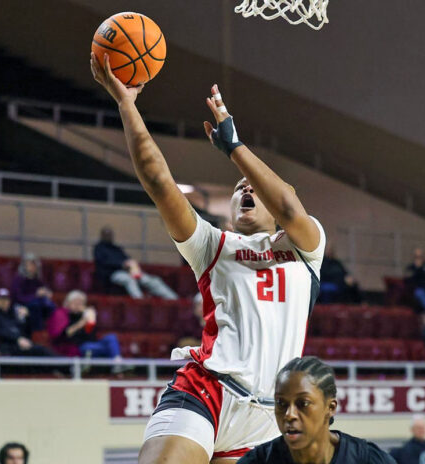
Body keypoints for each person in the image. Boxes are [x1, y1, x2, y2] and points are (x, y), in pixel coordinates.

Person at [90, 54, 326, 463]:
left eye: (255, 186)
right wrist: (126, 103)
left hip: (266, 417)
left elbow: (288, 204)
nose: (247, 188)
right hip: (207, 390)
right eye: (239, 187)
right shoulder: (212, 244)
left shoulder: (308, 246)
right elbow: (160, 182)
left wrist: (234, 148)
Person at [238, 357, 394, 463]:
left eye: (303, 403)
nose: (290, 415)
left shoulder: (367, 459)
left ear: (330, 407)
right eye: (281, 403)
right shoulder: (259, 460)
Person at [94, 226, 178, 300]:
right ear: (102, 235)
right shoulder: (99, 248)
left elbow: (127, 259)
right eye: (106, 234)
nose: (108, 236)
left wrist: (130, 264)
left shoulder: (116, 249)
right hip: (112, 274)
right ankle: (140, 301)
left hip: (128, 272)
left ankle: (174, 299)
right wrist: (122, 264)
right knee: (129, 280)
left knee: (153, 280)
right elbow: (104, 262)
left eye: (109, 234)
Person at [46, 290, 123, 362]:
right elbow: (67, 334)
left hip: (92, 343)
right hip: (80, 346)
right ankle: (114, 358)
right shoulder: (65, 315)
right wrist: (83, 322)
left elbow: (91, 335)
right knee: (94, 348)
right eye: (75, 302)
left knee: (111, 337)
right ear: (68, 303)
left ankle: (117, 362)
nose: (78, 305)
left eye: (81, 303)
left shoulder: (85, 315)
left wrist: (91, 321)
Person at [0, 288, 55, 358]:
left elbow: (26, 332)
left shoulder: (12, 313)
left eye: (7, 299)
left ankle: (63, 364)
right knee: (40, 351)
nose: (6, 302)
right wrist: (17, 339)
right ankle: (63, 365)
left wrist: (26, 319)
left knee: (42, 350)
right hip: (6, 346)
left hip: (22, 343)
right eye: (2, 300)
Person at [11, 253, 55, 331]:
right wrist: (35, 295)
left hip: (36, 302)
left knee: (50, 305)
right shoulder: (18, 279)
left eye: (33, 265)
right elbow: (18, 297)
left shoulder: (37, 279)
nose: (32, 267)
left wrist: (47, 293)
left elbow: (43, 289)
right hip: (22, 303)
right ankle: (37, 330)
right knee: (35, 306)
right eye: (29, 265)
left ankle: (50, 328)